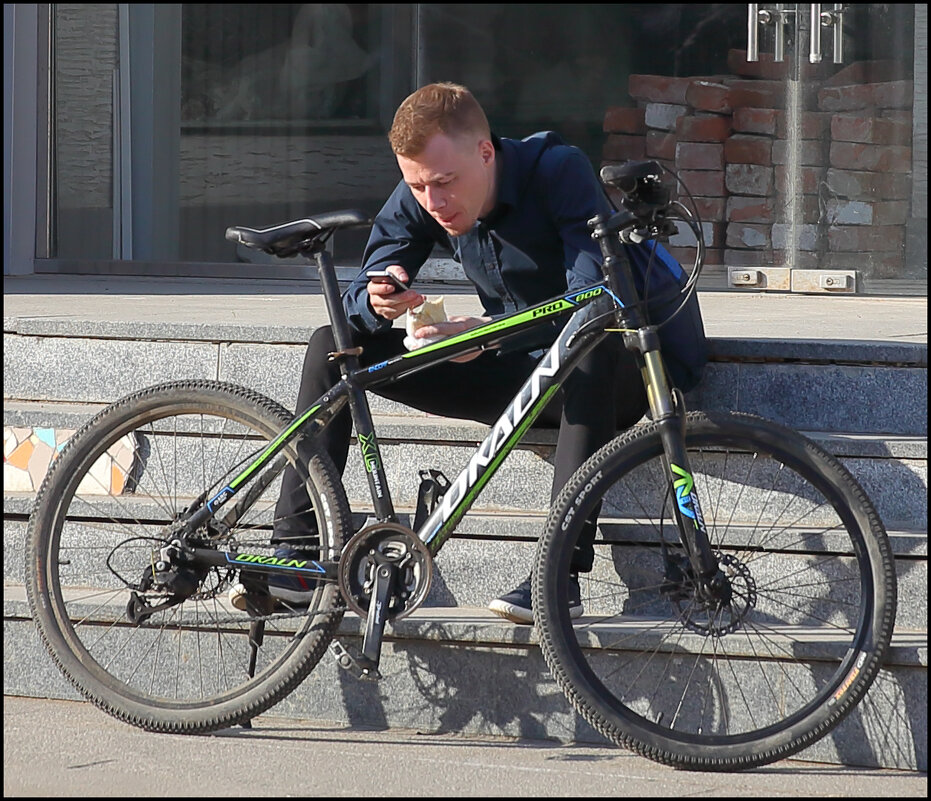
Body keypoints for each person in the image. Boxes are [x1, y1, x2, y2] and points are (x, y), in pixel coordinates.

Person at [230, 82, 707, 623]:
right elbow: (368, 279)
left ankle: (560, 573)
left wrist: (486, 332)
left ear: (485, 153)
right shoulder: (424, 191)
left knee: (589, 346)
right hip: (506, 372)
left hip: (597, 378)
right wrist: (377, 296)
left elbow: (591, 298)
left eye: (444, 183)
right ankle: (295, 556)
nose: (433, 203)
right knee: (331, 345)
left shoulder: (558, 171)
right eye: (417, 187)